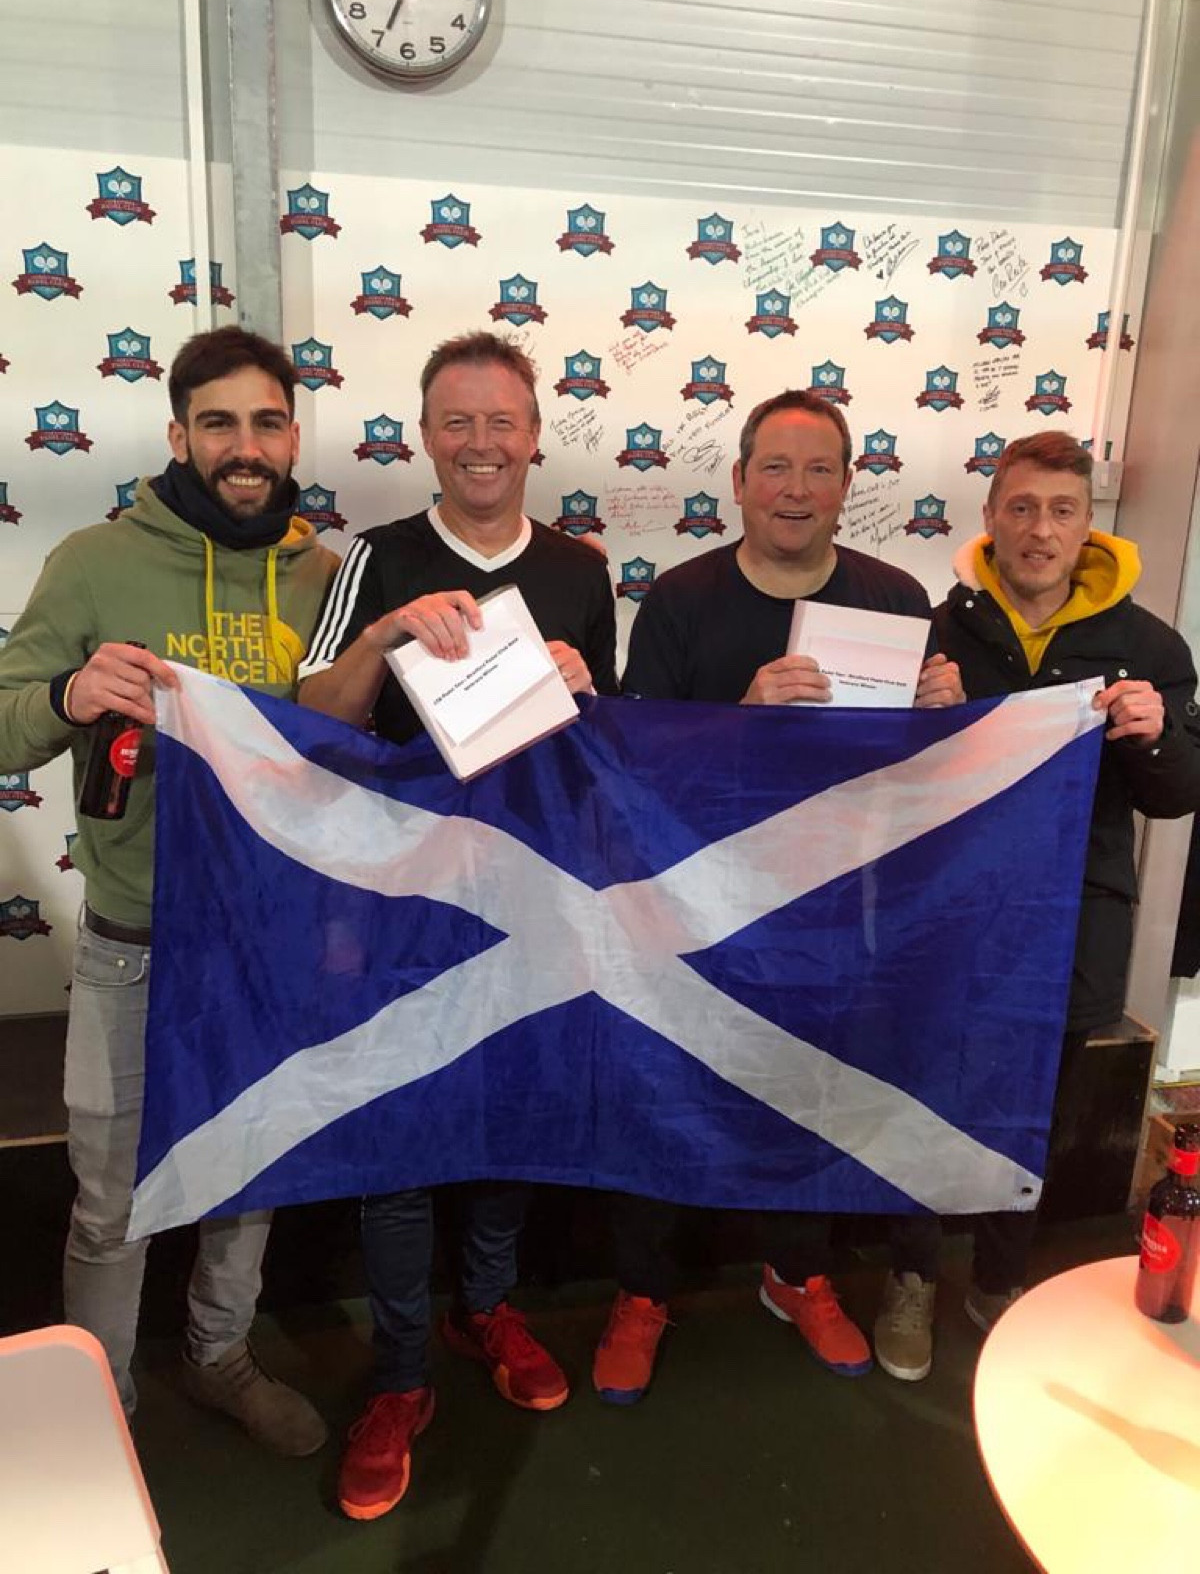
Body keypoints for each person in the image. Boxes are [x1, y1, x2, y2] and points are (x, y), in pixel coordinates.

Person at [0, 326, 339, 1452]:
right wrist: (68, 693)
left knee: (249, 1172)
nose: (246, 446)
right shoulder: (95, 562)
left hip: (271, 941)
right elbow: (3, 723)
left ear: (293, 436)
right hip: (134, 943)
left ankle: (218, 1354)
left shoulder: (325, 576)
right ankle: (101, 1406)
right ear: (179, 435)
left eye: (267, 422)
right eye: (219, 422)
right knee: (112, 1201)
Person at [298, 330, 617, 1521]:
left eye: (502, 421)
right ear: (426, 435)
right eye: (458, 421)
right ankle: (398, 1376)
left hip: (528, 894)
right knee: (401, 1140)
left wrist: (584, 692)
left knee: (505, 1120)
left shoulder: (581, 569)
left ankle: (484, 1307)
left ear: (534, 435)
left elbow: (605, 753)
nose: (482, 442)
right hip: (395, 900)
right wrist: (384, 638)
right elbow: (312, 716)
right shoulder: (375, 556)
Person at [594, 388, 963, 1404]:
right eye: (776, 468)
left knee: (812, 1091)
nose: (796, 490)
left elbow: (923, 781)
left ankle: (796, 1273)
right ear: (739, 481)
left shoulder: (897, 599)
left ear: (846, 486)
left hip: (832, 908)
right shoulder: (679, 601)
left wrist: (947, 715)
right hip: (691, 903)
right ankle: (642, 1290)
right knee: (665, 1091)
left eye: (818, 470)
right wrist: (741, 714)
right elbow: (637, 769)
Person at [903, 429, 1200, 1343]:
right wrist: (912, 722)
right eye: (1023, 508)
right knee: (918, 1093)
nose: (1040, 530)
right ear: (990, 516)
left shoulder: (1148, 645)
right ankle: (911, 1276)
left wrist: (1156, 734)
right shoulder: (931, 632)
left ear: (1088, 526)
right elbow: (875, 787)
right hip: (942, 909)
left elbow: (1178, 795)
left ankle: (999, 1278)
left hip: (1073, 918)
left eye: (1062, 511)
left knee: (1033, 1110)